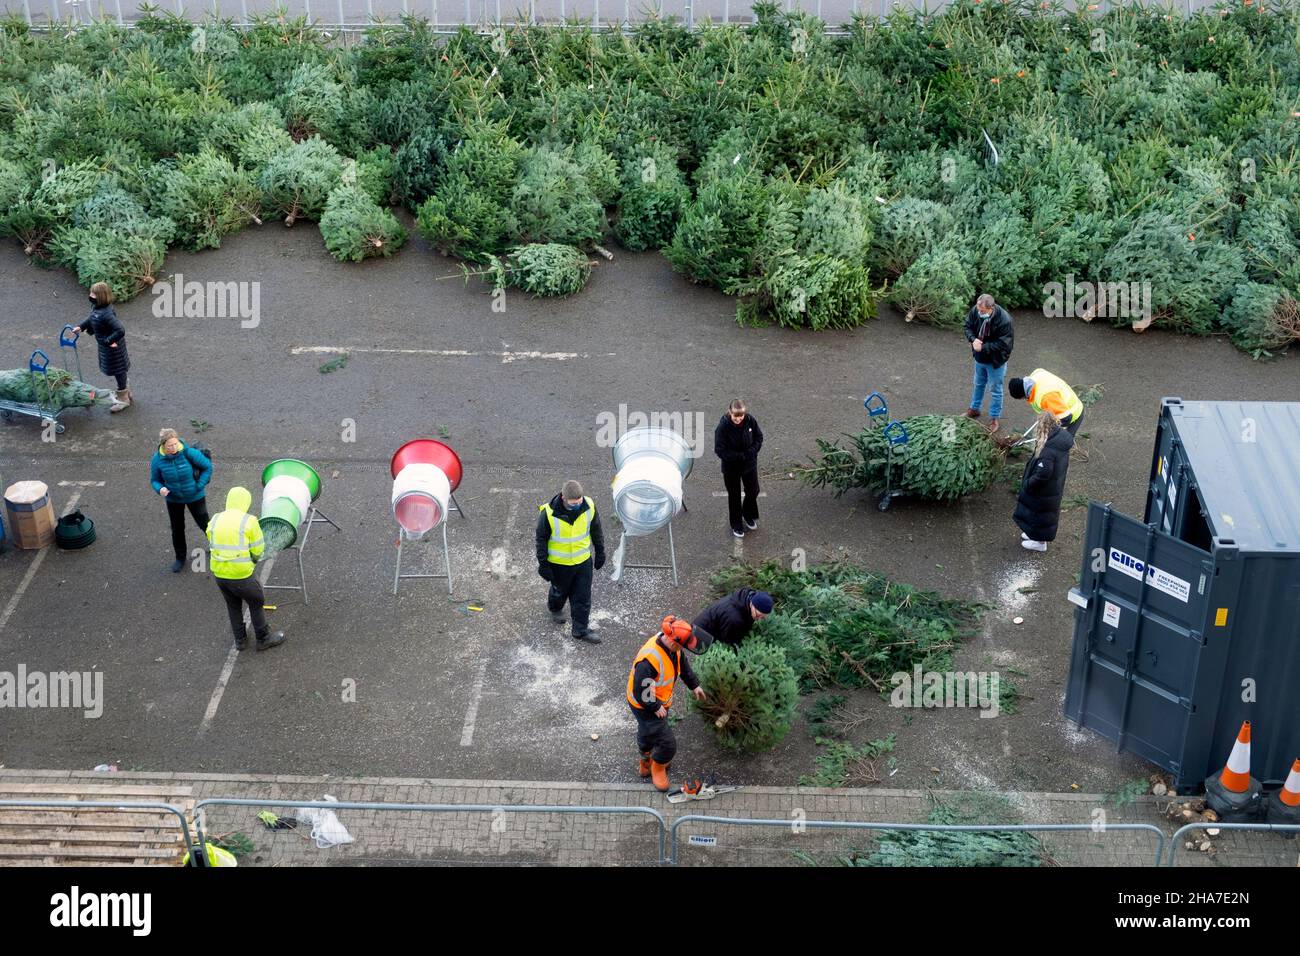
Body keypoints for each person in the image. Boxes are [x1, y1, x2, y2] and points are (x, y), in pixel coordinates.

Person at [626, 616, 713, 791]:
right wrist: (655, 706)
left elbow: (683, 666)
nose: (685, 649)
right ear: (674, 642)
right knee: (667, 744)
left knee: (646, 732)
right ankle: (657, 767)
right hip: (645, 706)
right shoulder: (649, 660)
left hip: (655, 703)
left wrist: (694, 685)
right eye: (684, 646)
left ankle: (645, 763)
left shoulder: (673, 647)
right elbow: (641, 691)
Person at [206, 487, 285, 652]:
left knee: (233, 606)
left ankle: (240, 640)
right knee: (256, 602)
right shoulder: (249, 520)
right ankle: (263, 638)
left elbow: (210, 537)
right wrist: (252, 560)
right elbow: (258, 548)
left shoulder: (215, 518)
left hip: (220, 573)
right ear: (246, 502)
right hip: (241, 575)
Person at [536, 480, 606, 645]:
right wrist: (543, 564)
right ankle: (555, 607)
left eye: (579, 501)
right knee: (560, 592)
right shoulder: (548, 513)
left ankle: (580, 630)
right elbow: (541, 540)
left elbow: (596, 530)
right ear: (564, 498)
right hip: (559, 565)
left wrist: (600, 551)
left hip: (583, 562)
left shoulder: (589, 506)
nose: (578, 505)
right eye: (573, 503)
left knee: (582, 597)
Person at [150, 427, 212, 573]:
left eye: (175, 444)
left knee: (205, 524)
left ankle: (217, 547)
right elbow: (155, 480)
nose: (173, 448)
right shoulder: (157, 460)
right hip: (173, 500)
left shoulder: (189, 452)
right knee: (177, 530)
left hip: (195, 496)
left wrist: (199, 485)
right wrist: (160, 489)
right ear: (163, 446)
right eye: (169, 446)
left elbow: (207, 467)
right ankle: (180, 558)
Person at [1014, 412, 1075, 553]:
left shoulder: (1048, 449)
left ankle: (1040, 542)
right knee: (1040, 513)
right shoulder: (1059, 437)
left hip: (1044, 490)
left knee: (1039, 514)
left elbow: (1042, 474)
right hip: (1052, 488)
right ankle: (1034, 535)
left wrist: (1029, 483)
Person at [962, 293, 1014, 434]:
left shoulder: (1005, 320)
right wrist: (973, 340)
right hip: (980, 358)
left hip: (996, 361)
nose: (979, 313)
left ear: (991, 308)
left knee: (996, 390)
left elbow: (1005, 344)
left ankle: (994, 418)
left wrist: (983, 347)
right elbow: (967, 326)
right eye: (978, 310)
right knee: (978, 384)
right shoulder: (976, 311)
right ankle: (974, 409)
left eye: (983, 311)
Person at [78, 281, 133, 413]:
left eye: (93, 294)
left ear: (101, 296)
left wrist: (108, 341)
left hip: (113, 348)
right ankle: (125, 391)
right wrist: (81, 326)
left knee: (118, 370)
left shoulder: (106, 313)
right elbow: (92, 318)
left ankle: (123, 399)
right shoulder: (97, 308)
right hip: (107, 346)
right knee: (117, 370)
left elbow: (120, 330)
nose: (90, 295)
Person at [714, 399, 764, 538]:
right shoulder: (723, 427)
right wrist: (738, 456)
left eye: (741, 416)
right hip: (731, 468)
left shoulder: (750, 421)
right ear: (730, 412)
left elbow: (759, 438)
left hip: (749, 464)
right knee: (734, 496)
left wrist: (751, 452)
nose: (738, 419)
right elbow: (719, 449)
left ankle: (747, 514)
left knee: (753, 490)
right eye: (736, 416)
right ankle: (736, 524)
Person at [1007, 368, 1085, 436]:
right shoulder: (1036, 374)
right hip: (1063, 403)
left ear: (1022, 395)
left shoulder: (1045, 397)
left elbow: (1066, 419)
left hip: (1074, 413)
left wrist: (1048, 429)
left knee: (1062, 444)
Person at [692, 588, 774, 647]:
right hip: (700, 634)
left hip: (715, 626)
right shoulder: (734, 618)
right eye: (758, 615)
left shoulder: (747, 596)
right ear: (752, 604)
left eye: (762, 617)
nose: (758, 619)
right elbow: (730, 642)